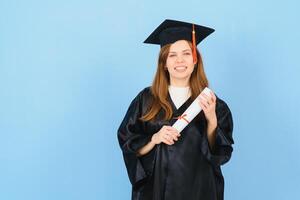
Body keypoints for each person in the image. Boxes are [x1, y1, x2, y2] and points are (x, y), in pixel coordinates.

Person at [117, 19, 234, 200]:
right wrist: (154, 138)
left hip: (200, 191)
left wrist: (211, 119)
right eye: (172, 55)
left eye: (186, 53)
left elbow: (220, 155)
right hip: (156, 191)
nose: (180, 60)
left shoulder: (214, 104)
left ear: (195, 59)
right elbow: (128, 145)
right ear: (164, 62)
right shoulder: (145, 100)